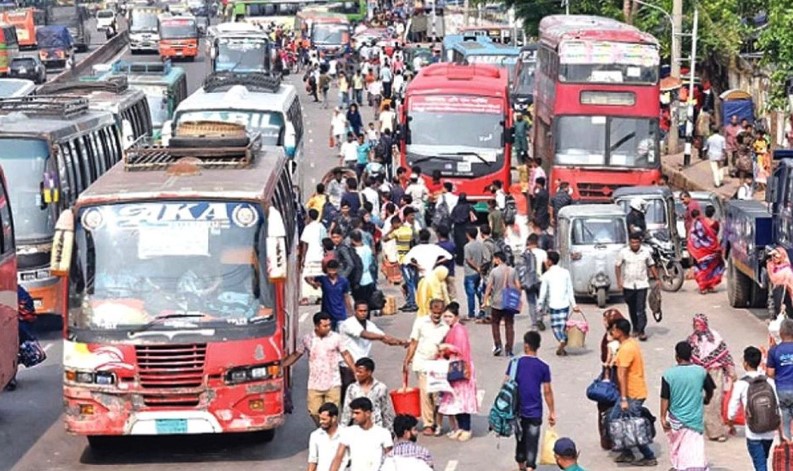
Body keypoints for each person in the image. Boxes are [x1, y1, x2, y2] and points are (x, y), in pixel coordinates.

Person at [283, 312, 356, 426]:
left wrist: (354, 370)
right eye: (325, 326)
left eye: (329, 325)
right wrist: (281, 365)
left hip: (333, 382)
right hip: (314, 383)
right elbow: (296, 354)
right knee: (313, 411)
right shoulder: (308, 339)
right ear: (317, 326)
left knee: (332, 414)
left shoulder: (336, 338)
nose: (328, 328)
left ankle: (332, 435)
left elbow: (346, 354)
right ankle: (324, 428)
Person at [660, 341, 716, 471]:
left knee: (678, 446)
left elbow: (665, 398)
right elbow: (710, 389)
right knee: (694, 448)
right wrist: (706, 400)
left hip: (675, 420)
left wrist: (663, 417)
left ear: (677, 356)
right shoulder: (701, 371)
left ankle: (679, 466)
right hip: (694, 419)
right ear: (691, 355)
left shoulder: (668, 375)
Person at [609, 318, 657, 466]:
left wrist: (623, 398)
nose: (612, 332)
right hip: (630, 392)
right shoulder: (628, 344)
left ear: (620, 332)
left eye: (614, 329)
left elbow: (622, 374)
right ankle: (627, 451)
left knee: (632, 426)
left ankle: (648, 456)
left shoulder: (627, 349)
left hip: (632, 394)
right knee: (615, 418)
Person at [729, 346, 783, 471]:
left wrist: (730, 421)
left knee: (760, 465)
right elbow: (777, 405)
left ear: (745, 363)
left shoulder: (741, 384)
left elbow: (732, 409)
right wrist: (780, 430)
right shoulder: (769, 382)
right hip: (769, 431)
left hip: (753, 432)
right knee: (762, 460)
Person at [403, 299, 450, 435]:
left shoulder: (445, 327)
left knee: (436, 395)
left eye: (439, 313)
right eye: (434, 313)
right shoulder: (420, 322)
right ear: (430, 310)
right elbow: (414, 342)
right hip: (422, 362)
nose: (436, 316)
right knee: (425, 392)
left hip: (437, 365)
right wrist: (407, 359)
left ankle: (435, 420)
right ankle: (428, 423)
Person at [511, 331, 556, 471]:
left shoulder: (515, 363)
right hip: (535, 410)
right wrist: (552, 411)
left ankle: (521, 465)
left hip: (518, 410)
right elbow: (547, 391)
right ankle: (530, 467)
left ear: (526, 346)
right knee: (532, 440)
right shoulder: (543, 367)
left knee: (520, 439)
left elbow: (506, 384)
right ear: (538, 346)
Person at [688, 313, 736, 441]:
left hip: (715, 372)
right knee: (703, 402)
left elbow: (725, 355)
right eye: (695, 324)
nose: (697, 327)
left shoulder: (715, 337)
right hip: (699, 374)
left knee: (715, 401)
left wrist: (731, 370)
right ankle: (706, 428)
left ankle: (717, 432)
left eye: (699, 324)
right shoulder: (691, 340)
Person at [438, 302, 478, 441]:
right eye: (446, 316)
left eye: (450, 316)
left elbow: (461, 350)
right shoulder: (451, 329)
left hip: (462, 366)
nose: (447, 319)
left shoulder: (459, 330)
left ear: (456, 317)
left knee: (463, 400)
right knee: (456, 400)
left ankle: (466, 428)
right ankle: (460, 427)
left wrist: (447, 346)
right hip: (454, 365)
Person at [330, 397, 393, 471]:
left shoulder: (383, 433)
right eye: (353, 413)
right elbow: (338, 457)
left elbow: (390, 459)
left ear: (368, 413)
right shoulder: (348, 432)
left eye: (357, 413)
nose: (353, 416)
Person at [615, 233, 658, 341]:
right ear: (629, 242)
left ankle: (641, 330)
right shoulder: (623, 252)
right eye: (632, 242)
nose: (634, 245)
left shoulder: (645, 252)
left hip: (641, 284)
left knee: (641, 308)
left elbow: (651, 264)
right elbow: (618, 266)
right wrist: (619, 280)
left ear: (640, 242)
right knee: (632, 307)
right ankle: (635, 328)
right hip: (628, 285)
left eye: (636, 242)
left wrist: (657, 278)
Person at [536, 251, 579, 356]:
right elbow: (570, 290)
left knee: (556, 327)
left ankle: (562, 340)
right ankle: (562, 346)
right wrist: (574, 305)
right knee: (563, 325)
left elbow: (543, 293)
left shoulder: (547, 275)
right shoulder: (565, 272)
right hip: (565, 305)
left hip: (553, 305)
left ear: (550, 261)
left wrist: (540, 305)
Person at [596, 308, 626, 450]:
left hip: (611, 378)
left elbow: (605, 359)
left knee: (606, 408)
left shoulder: (609, 338)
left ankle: (608, 439)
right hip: (620, 379)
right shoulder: (624, 338)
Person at [340, 357, 395, 431]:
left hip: (376, 428)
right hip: (358, 429)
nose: (357, 374)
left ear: (369, 372)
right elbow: (347, 411)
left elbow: (386, 410)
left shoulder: (381, 388)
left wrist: (390, 430)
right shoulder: (352, 388)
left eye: (360, 372)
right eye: (356, 372)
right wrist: (343, 430)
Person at [483, 252, 522, 357]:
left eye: (494, 259)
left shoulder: (494, 272)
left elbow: (489, 287)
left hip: (496, 301)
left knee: (495, 323)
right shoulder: (513, 270)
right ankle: (509, 349)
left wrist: (485, 300)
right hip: (509, 301)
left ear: (498, 259)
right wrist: (517, 297)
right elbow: (518, 286)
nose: (494, 261)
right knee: (509, 324)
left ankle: (498, 345)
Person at [305, 259, 354, 331]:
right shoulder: (323, 279)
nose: (331, 273)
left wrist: (350, 312)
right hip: (327, 313)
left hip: (340, 314)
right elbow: (307, 278)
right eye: (329, 270)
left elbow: (346, 297)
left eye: (333, 270)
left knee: (340, 336)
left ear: (337, 270)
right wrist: (314, 284)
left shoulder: (343, 281)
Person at [766, 318, 793, 439]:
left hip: (782, 389)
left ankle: (788, 448)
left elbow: (770, 373)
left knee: (785, 422)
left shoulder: (774, 350)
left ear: (781, 333)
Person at [688, 207, 725, 294]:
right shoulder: (715, 224)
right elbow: (715, 235)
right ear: (713, 213)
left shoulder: (699, 222)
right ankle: (708, 286)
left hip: (701, 250)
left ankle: (704, 287)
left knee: (702, 268)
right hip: (712, 249)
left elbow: (694, 235)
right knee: (712, 267)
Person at [308, 403, 348, 471]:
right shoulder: (315, 435)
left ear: (334, 419)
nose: (320, 422)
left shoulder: (347, 434)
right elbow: (313, 460)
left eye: (324, 419)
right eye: (320, 419)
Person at [451, 193, 477, 265]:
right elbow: (475, 216)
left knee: (459, 244)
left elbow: (452, 217)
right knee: (467, 244)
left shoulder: (455, 208)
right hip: (467, 228)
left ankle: (459, 261)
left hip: (457, 228)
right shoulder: (469, 207)